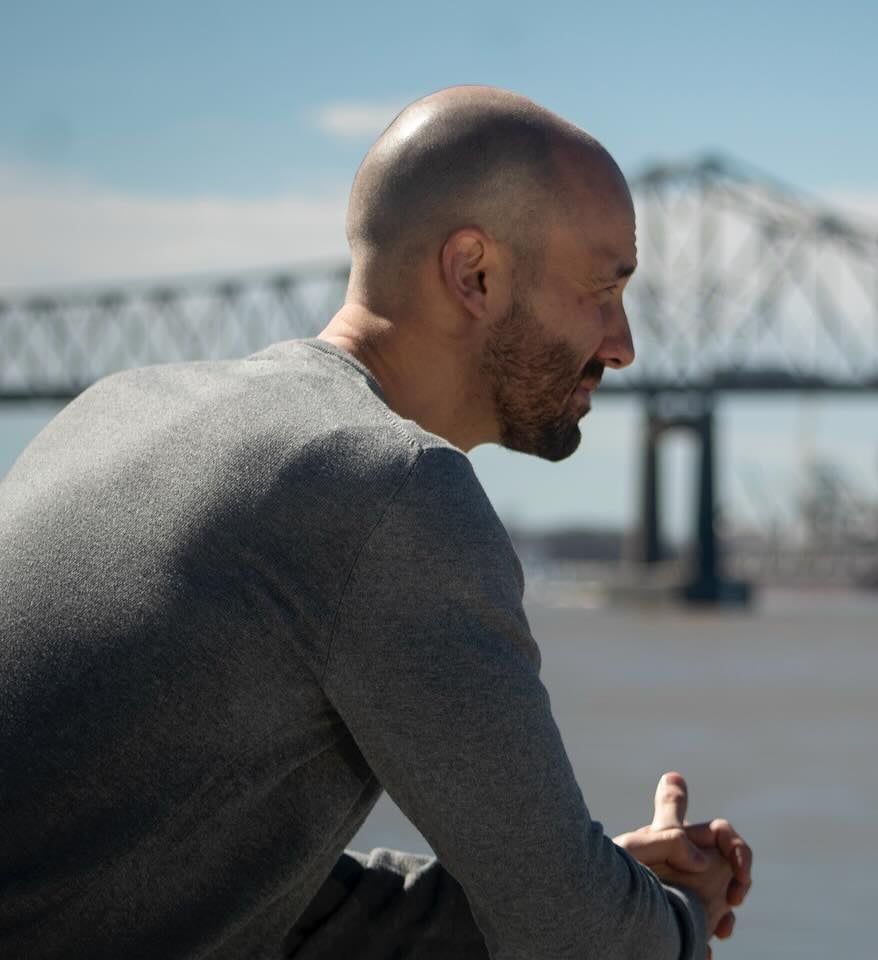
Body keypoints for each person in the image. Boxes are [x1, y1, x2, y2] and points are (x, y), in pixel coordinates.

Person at [0, 85, 752, 959]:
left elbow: (227, 897)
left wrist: (597, 885)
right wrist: (672, 917)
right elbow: (578, 945)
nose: (623, 346)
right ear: (474, 273)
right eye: (603, 290)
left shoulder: (111, 410)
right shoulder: (391, 490)